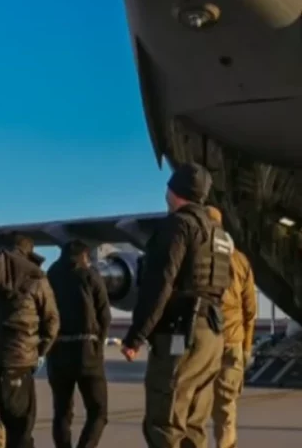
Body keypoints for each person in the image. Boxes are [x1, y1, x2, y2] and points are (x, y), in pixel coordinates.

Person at [120, 163, 233, 448]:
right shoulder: (219, 235)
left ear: (174, 191)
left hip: (181, 333)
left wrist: (136, 336)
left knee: (165, 422)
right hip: (211, 334)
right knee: (194, 425)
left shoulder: (177, 226)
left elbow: (160, 285)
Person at [0, 231, 60, 448]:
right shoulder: (36, 278)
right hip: (19, 363)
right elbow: (52, 322)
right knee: (20, 431)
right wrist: (39, 351)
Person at [46, 240, 112, 448]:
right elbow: (105, 315)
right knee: (98, 411)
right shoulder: (90, 275)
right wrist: (98, 345)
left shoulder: (50, 276)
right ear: (84, 255)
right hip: (87, 350)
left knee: (62, 412)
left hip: (58, 351)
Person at [206, 206, 256, 448]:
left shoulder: (197, 255)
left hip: (203, 341)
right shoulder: (240, 260)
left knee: (192, 407)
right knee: (226, 409)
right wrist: (246, 348)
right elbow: (250, 310)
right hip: (232, 342)